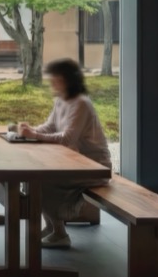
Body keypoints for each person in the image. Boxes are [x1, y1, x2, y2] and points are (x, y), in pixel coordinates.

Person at [18, 59, 112, 249]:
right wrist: (29, 130)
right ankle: (53, 227)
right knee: (33, 179)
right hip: (72, 162)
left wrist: (34, 135)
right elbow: (50, 126)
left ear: (68, 80)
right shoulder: (61, 100)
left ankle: (60, 233)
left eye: (56, 79)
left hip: (93, 166)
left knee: (41, 181)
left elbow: (68, 138)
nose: (52, 82)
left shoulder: (81, 104)